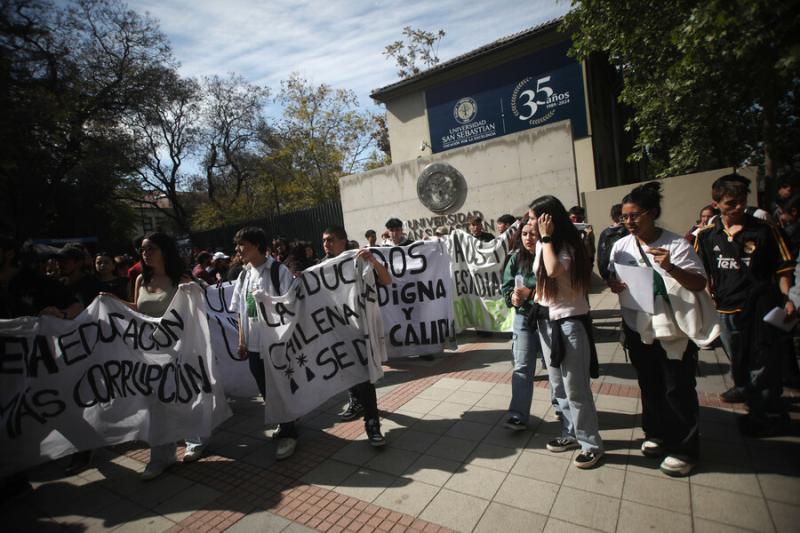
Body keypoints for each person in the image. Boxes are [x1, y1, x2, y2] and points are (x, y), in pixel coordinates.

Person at [608, 182, 708, 477]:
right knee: (649, 385)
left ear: (652, 214)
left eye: (635, 216)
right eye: (625, 217)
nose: (629, 222)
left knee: (677, 387)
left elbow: (699, 284)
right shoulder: (621, 245)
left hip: (673, 330)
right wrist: (616, 286)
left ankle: (685, 449)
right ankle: (656, 434)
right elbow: (618, 278)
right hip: (639, 327)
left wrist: (672, 268)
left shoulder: (676, 245)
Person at [695, 174, 794, 434]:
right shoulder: (707, 236)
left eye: (741, 201)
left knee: (762, 362)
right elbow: (701, 271)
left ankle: (767, 414)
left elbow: (784, 267)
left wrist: (786, 298)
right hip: (726, 310)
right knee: (739, 362)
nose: (738, 207)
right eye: (730, 203)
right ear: (716, 204)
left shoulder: (764, 230)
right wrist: (708, 297)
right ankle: (755, 403)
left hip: (761, 308)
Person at [100, 232, 203, 479]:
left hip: (178, 351)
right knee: (156, 404)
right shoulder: (140, 280)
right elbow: (138, 309)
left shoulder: (180, 279)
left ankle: (196, 440)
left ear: (164, 251)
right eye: (143, 250)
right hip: (149, 353)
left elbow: (196, 310)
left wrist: (193, 289)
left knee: (185, 397)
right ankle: (161, 457)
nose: (145, 254)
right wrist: (114, 302)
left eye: (151, 249)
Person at [528, 196, 603, 469]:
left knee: (576, 389)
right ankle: (571, 433)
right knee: (558, 387)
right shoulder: (540, 245)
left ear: (548, 219)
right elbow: (542, 280)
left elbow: (553, 269)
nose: (530, 223)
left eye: (533, 218)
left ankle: (591, 444)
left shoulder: (567, 245)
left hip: (570, 324)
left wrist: (547, 239)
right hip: (547, 322)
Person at [231, 227, 298, 460]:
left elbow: (292, 304)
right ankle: (283, 421)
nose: (239, 250)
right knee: (265, 388)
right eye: (238, 246)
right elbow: (241, 310)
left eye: (244, 245)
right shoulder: (243, 275)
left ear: (258, 246)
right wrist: (242, 340)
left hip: (276, 343)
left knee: (280, 386)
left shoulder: (278, 271)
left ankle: (290, 433)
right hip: (254, 344)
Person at [323, 225, 391, 446]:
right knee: (350, 375)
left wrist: (372, 260)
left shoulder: (360, 258)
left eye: (331, 240)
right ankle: (356, 402)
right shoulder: (322, 267)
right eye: (324, 240)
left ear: (343, 241)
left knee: (365, 377)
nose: (326, 244)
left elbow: (387, 280)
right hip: (339, 333)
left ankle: (373, 426)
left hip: (360, 331)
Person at [500, 217, 542, 430]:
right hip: (523, 318)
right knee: (522, 366)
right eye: (524, 234)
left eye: (533, 233)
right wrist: (512, 298)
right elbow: (506, 285)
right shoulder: (516, 258)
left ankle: (563, 412)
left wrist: (532, 293)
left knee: (555, 368)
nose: (528, 238)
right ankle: (518, 415)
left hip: (547, 318)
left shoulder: (549, 255)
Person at [596, 204, 628, 281]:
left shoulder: (605, 232)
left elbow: (601, 256)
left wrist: (604, 274)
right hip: (627, 268)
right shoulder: (628, 231)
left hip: (611, 271)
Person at [568, 205, 596, 270]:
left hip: (583, 267)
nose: (576, 220)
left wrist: (587, 238)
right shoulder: (564, 230)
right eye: (573, 218)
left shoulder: (587, 230)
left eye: (579, 218)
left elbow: (590, 254)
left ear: (583, 219)